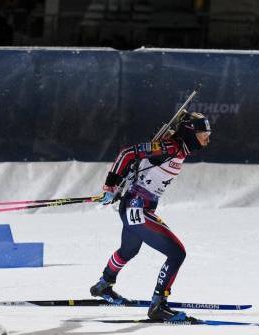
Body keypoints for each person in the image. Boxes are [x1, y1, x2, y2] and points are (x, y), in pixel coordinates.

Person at [90, 112, 212, 322]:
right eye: (204, 133)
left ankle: (103, 285)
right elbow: (127, 152)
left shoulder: (179, 149)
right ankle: (158, 305)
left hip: (136, 207)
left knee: (128, 250)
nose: (207, 139)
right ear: (191, 132)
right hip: (137, 209)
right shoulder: (170, 147)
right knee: (177, 254)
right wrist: (110, 185)